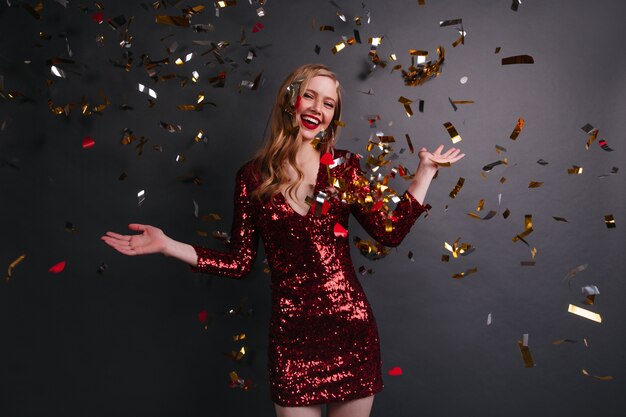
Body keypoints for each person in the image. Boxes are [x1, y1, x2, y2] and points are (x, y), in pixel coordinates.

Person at [102, 63, 464, 417]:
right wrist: (168, 245)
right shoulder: (251, 178)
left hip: (350, 331)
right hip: (291, 341)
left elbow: (390, 232)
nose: (317, 109)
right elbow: (239, 262)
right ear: (290, 100)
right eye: (309, 96)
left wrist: (425, 172)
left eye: (328, 104)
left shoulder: (343, 168)